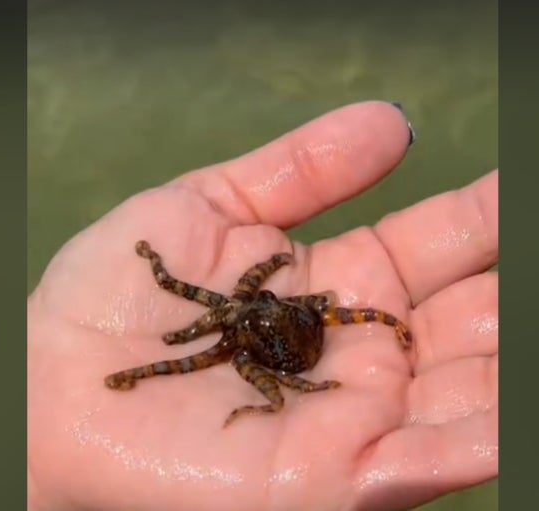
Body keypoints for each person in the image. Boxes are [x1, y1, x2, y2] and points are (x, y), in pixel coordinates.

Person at [27, 101, 498, 511]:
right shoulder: (255, 331)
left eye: (259, 298)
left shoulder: (252, 342)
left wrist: (386, 323)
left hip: (291, 343)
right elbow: (202, 327)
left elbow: (205, 342)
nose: (243, 306)